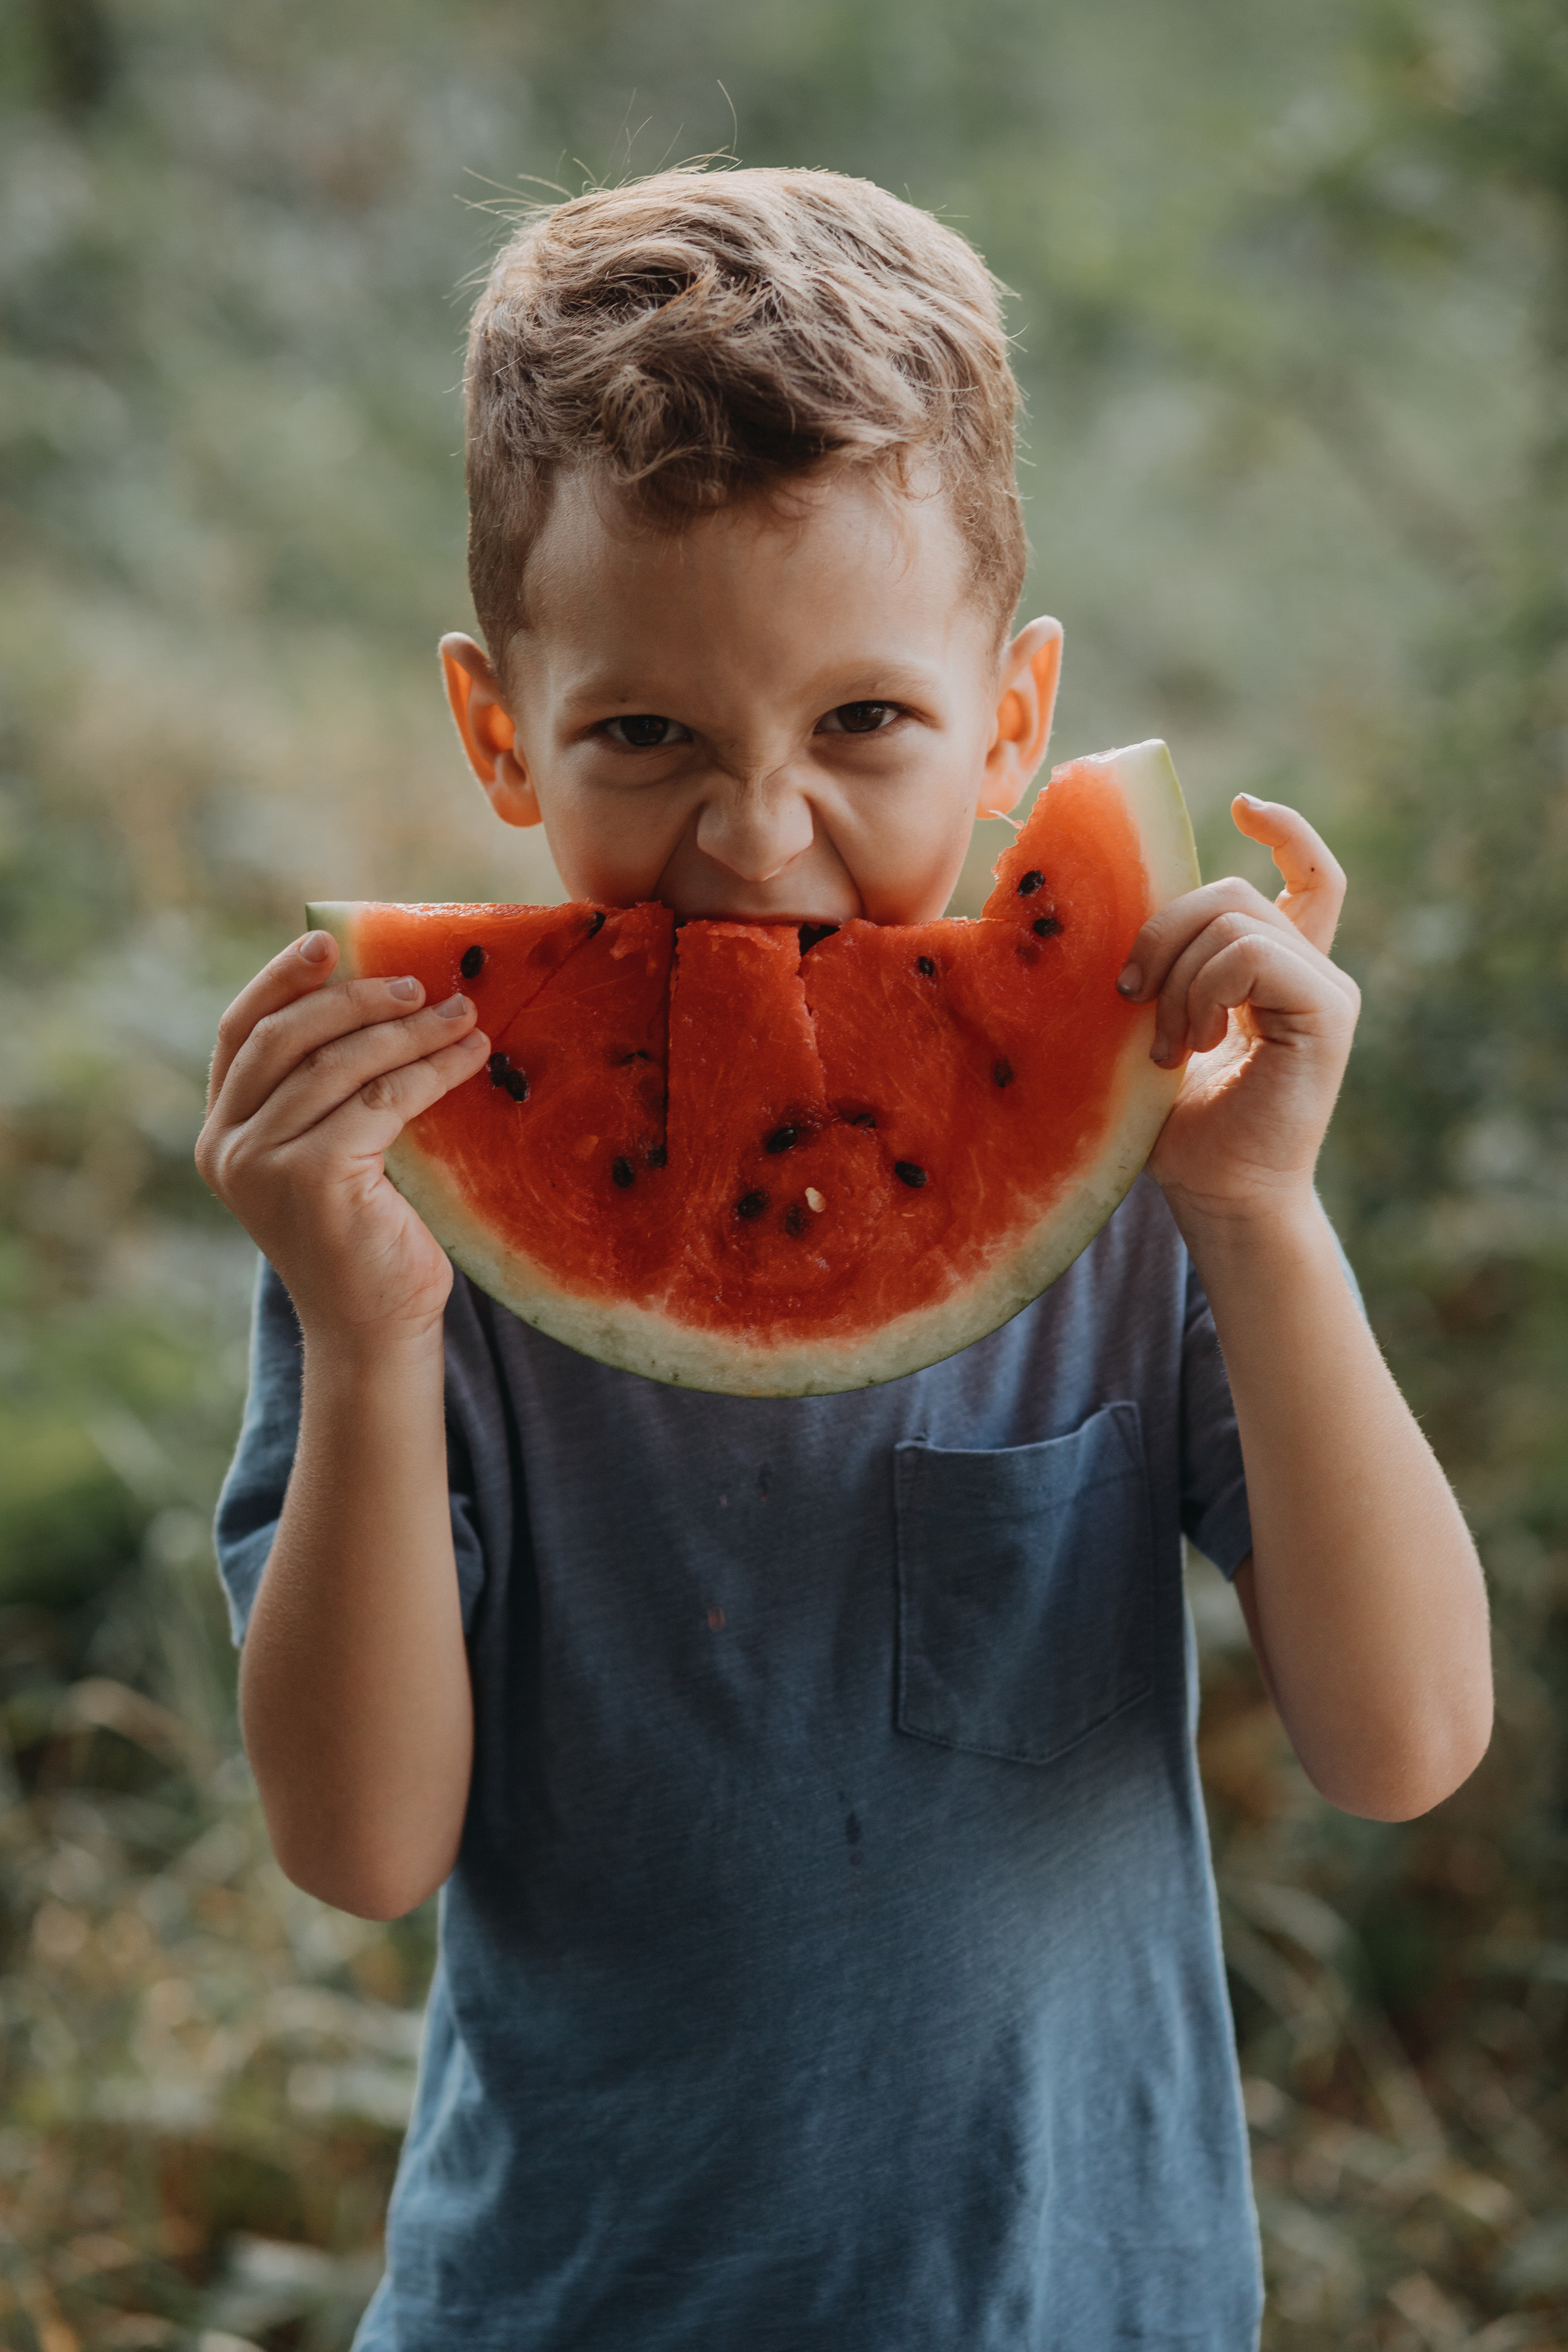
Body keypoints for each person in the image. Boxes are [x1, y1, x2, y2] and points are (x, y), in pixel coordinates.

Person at [198, 168, 1491, 2351]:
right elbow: (361, 1846)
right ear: (500, 733)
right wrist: (370, 1329)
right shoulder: (403, 1210)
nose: (758, 835)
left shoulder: (1153, 1178)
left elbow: (1405, 1740)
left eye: (863, 723)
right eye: (645, 735)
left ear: (1014, 722)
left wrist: (1257, 1217)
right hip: (569, 2309)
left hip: (1092, 2304)